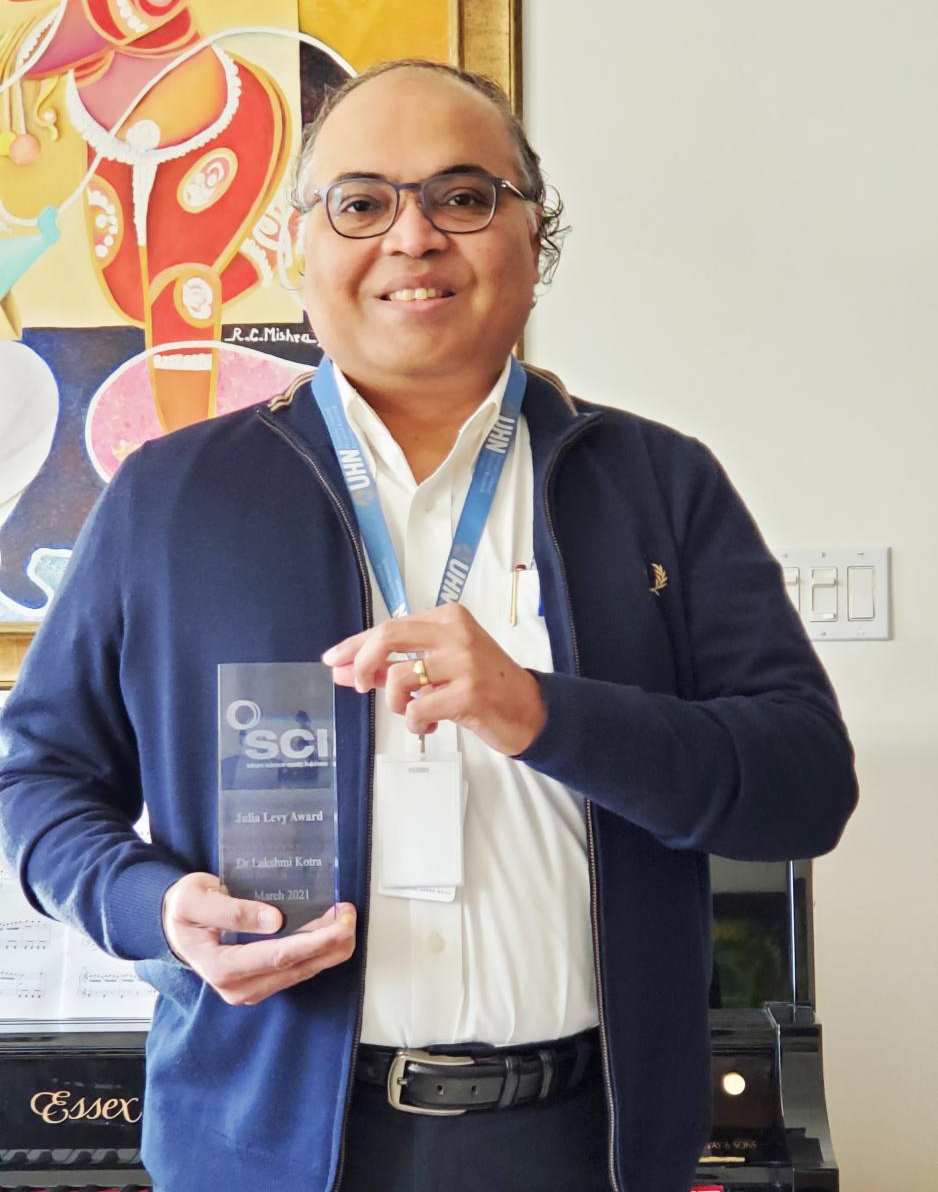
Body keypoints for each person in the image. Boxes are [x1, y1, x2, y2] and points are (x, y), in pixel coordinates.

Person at [0, 59, 858, 1192]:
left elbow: (803, 783)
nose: (412, 237)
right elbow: (37, 780)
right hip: (262, 1145)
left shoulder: (658, 483)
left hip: (583, 1144)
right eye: (361, 202)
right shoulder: (168, 496)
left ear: (531, 237)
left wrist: (543, 712)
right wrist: (149, 904)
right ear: (296, 246)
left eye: (463, 197)